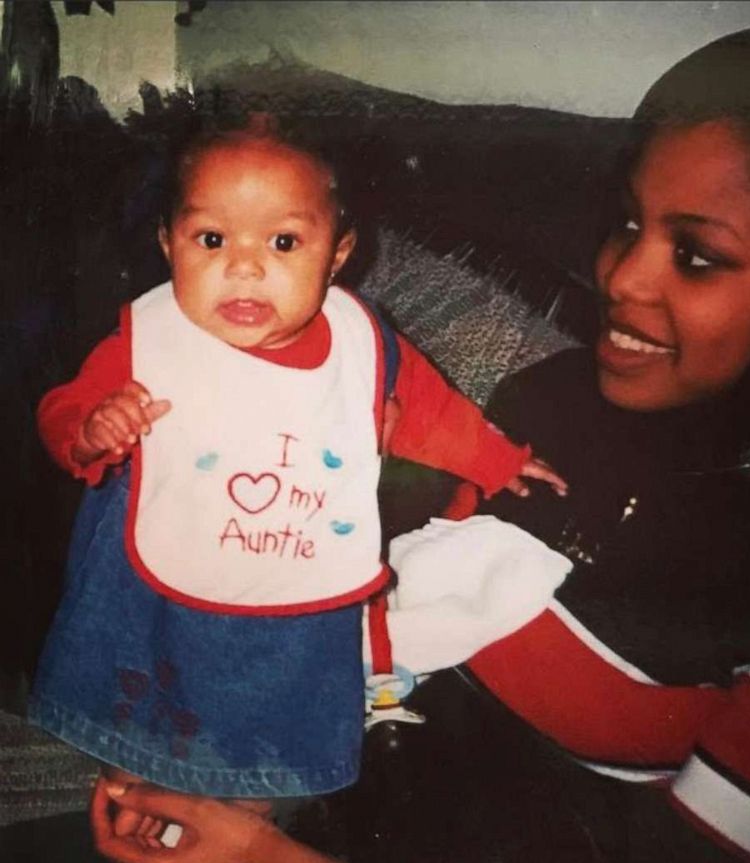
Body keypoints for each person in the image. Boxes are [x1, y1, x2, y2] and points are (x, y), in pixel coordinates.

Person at [90, 27, 750, 863]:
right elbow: (390, 636)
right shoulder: (547, 406)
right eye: (631, 226)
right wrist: (242, 786)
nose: (619, 277)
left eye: (696, 256)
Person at [28, 109, 566, 824]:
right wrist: (91, 430)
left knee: (282, 713)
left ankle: (251, 805)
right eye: (211, 238)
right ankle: (139, 787)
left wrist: (500, 462)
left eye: (283, 241)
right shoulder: (149, 341)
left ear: (338, 254)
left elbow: (434, 414)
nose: (244, 266)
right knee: (139, 698)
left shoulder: (360, 346)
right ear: (168, 243)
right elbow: (62, 409)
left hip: (295, 595)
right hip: (149, 600)